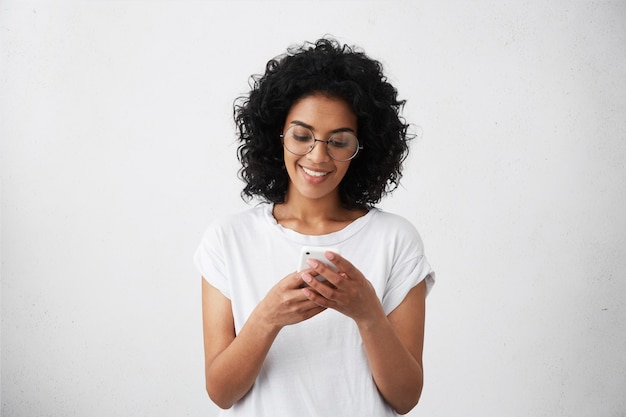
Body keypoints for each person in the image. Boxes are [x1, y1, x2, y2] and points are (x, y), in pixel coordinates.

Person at [194, 37, 435, 416]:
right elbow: (222, 393)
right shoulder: (228, 240)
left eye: (339, 141)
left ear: (362, 147)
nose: (318, 156)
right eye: (302, 136)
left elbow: (405, 399)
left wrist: (367, 312)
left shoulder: (395, 240)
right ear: (277, 136)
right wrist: (267, 317)